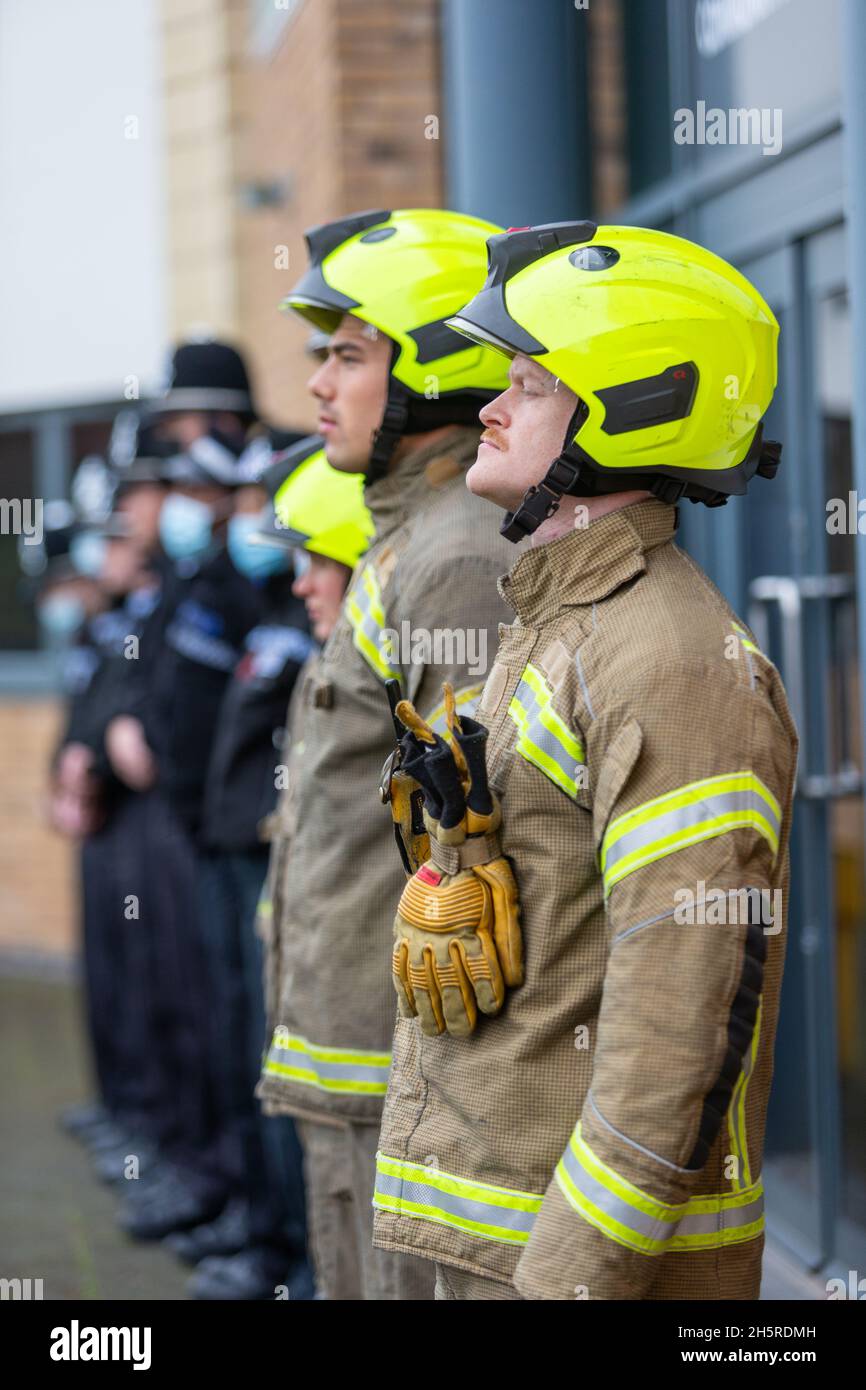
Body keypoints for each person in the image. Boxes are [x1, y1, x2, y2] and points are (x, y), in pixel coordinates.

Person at [372, 222, 799, 1301]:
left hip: (564, 1264)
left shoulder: (669, 662)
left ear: (627, 402)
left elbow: (684, 1009)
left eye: (527, 381)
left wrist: (572, 1272)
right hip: (493, 1227)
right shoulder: (558, 621)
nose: (489, 406)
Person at [255, 208, 518, 1300]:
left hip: (400, 1078)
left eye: (348, 354)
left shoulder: (452, 555)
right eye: (324, 354)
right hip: (356, 1059)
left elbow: (471, 848)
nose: (318, 382)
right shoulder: (405, 537)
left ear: (438, 365)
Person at [103, 341, 266, 1242]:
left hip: (235, 829)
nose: (171, 506)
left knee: (236, 1025)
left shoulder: (258, 561)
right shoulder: (189, 572)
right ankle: (220, 1186)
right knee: (199, 1011)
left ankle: (255, 1211)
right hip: (196, 824)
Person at [181, 433, 316, 1300]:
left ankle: (295, 1259)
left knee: (284, 1072)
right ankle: (268, 1237)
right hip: (232, 848)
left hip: (279, 863)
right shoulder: (276, 603)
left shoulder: (308, 608)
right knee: (242, 1048)